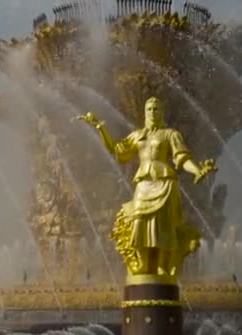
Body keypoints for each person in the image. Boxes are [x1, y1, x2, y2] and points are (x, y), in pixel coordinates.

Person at [78, 97, 216, 277]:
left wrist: (197, 170)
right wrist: (100, 127)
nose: (152, 112)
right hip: (143, 184)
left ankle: (161, 265)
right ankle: (143, 262)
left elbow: (181, 158)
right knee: (140, 221)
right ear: (144, 113)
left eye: (156, 109)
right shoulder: (137, 135)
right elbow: (117, 150)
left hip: (165, 183)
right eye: (149, 109)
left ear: (162, 112)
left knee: (164, 225)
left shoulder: (170, 134)